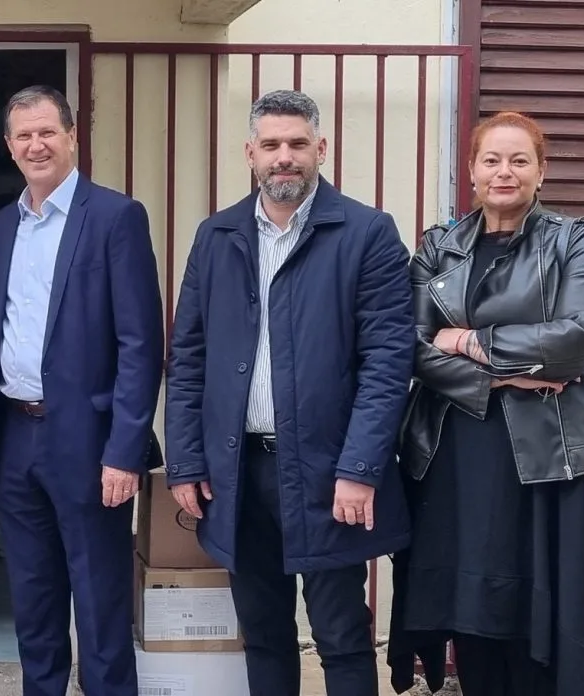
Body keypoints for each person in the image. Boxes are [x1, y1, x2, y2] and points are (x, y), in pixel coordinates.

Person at [165, 90, 416, 696]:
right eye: (271, 144)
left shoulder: (367, 233)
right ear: (249, 152)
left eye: (298, 144)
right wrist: (186, 461)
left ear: (320, 149)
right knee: (263, 633)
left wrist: (360, 468)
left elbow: (388, 363)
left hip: (330, 470)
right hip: (238, 472)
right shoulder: (217, 235)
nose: (285, 156)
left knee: (341, 635)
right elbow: (188, 358)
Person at [386, 111, 584, 696]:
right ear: (472, 171)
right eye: (492, 160)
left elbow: (583, 334)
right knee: (470, 608)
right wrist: (502, 379)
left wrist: (470, 341)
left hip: (553, 456)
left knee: (546, 610)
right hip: (457, 453)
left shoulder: (577, 240)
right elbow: (411, 345)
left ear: (540, 171)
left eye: (520, 160)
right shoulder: (439, 247)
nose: (505, 172)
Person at [0, 85, 164, 696]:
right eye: (23, 136)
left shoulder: (115, 217)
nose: (36, 145)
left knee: (99, 598)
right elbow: (6, 321)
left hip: (89, 440)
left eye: (46, 132)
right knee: (32, 597)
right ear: (9, 146)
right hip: (15, 435)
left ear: (71, 136)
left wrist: (124, 451)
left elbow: (141, 344)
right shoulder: (3, 225)